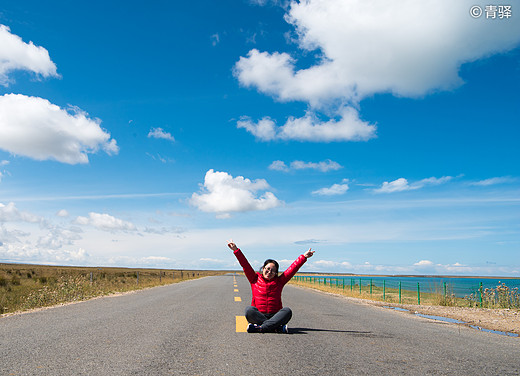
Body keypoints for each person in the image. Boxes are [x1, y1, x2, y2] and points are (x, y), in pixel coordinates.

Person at [227, 240, 315, 333]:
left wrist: (304, 257)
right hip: (258, 315)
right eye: (267, 269)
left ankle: (261, 328)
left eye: (273, 271)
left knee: (287, 311)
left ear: (276, 273)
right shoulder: (254, 279)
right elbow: (245, 264)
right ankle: (275, 327)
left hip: (275, 315)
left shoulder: (280, 281)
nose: (269, 272)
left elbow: (292, 269)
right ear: (263, 268)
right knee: (249, 310)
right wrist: (236, 250)